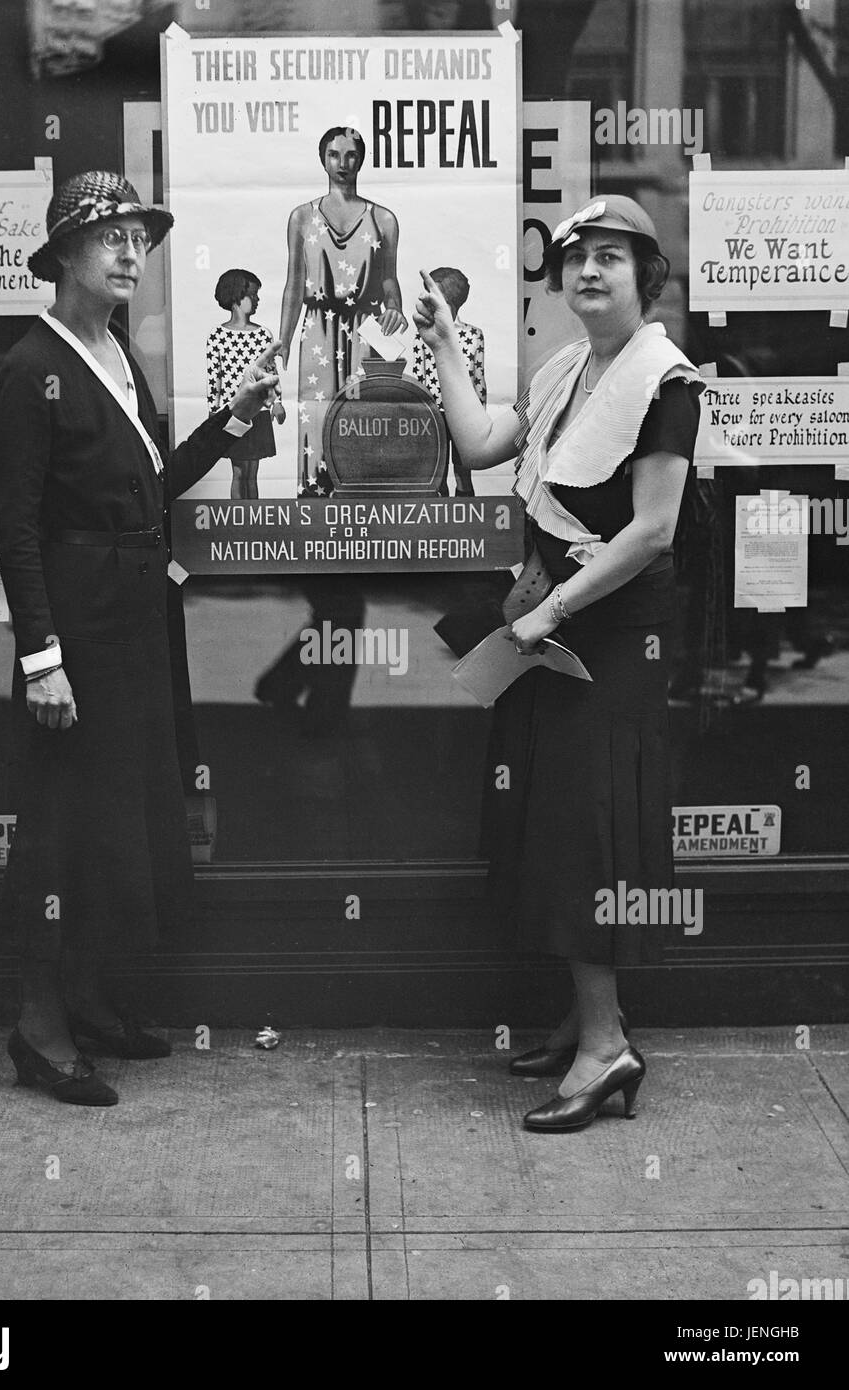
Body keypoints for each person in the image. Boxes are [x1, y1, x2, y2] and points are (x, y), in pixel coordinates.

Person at [413, 196, 704, 1132]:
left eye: (612, 259)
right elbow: (481, 442)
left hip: (609, 638)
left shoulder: (666, 384)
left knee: (588, 833)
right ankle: (574, 1019)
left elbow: (652, 531)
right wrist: (446, 344)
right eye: (577, 257)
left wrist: (547, 612)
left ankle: (605, 1046)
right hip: (553, 629)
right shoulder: (568, 368)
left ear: (643, 278)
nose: (589, 272)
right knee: (544, 822)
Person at [0, 171, 278, 1106]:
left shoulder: (116, 353)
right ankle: (38, 1031)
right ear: (63, 254)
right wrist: (42, 659)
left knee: (116, 824)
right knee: (63, 829)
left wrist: (236, 416)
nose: (128, 252)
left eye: (138, 238)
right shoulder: (29, 368)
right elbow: (16, 530)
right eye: (108, 235)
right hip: (78, 628)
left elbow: (154, 486)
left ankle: (88, 1001)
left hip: (135, 620)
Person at [278, 126, 407, 491]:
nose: (343, 163)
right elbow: (293, 282)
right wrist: (283, 340)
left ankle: (364, 499)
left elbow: (388, 279)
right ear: (323, 159)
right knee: (316, 418)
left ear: (361, 160)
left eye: (351, 155)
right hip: (317, 326)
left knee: (363, 415)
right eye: (334, 155)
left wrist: (395, 306)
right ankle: (315, 501)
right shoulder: (301, 217)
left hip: (365, 327)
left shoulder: (384, 219)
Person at [206, 269, 285, 499]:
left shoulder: (262, 335)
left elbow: (271, 371)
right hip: (234, 411)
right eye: (253, 295)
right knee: (239, 470)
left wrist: (276, 402)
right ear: (236, 297)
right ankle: (237, 517)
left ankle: (252, 519)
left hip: (258, 412)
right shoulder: (217, 336)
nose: (257, 300)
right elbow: (215, 377)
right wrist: (214, 410)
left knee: (253, 471)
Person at [410, 267, 486, 496]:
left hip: (465, 415)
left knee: (463, 472)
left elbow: (478, 378)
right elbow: (419, 376)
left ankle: (467, 518)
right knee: (437, 473)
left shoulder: (474, 335)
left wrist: (479, 415)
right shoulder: (423, 334)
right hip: (433, 414)